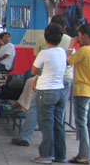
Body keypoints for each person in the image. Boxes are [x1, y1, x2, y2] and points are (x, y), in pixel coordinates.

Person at [11, 15, 74, 147]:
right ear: (64, 28)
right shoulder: (68, 43)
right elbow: (71, 60)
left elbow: (35, 67)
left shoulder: (42, 43)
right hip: (65, 79)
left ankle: (26, 137)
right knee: (59, 114)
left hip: (45, 80)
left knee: (35, 108)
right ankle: (58, 144)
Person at [31, 23, 68, 164]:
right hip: (60, 91)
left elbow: (34, 71)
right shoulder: (62, 52)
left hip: (45, 91)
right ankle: (60, 155)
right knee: (58, 124)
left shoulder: (44, 53)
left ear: (46, 38)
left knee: (46, 124)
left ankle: (46, 155)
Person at [67, 23, 90, 164]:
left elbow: (68, 61)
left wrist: (71, 45)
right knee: (89, 123)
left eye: (79, 35)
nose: (78, 38)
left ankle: (84, 155)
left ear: (85, 36)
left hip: (82, 90)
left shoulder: (84, 51)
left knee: (81, 123)